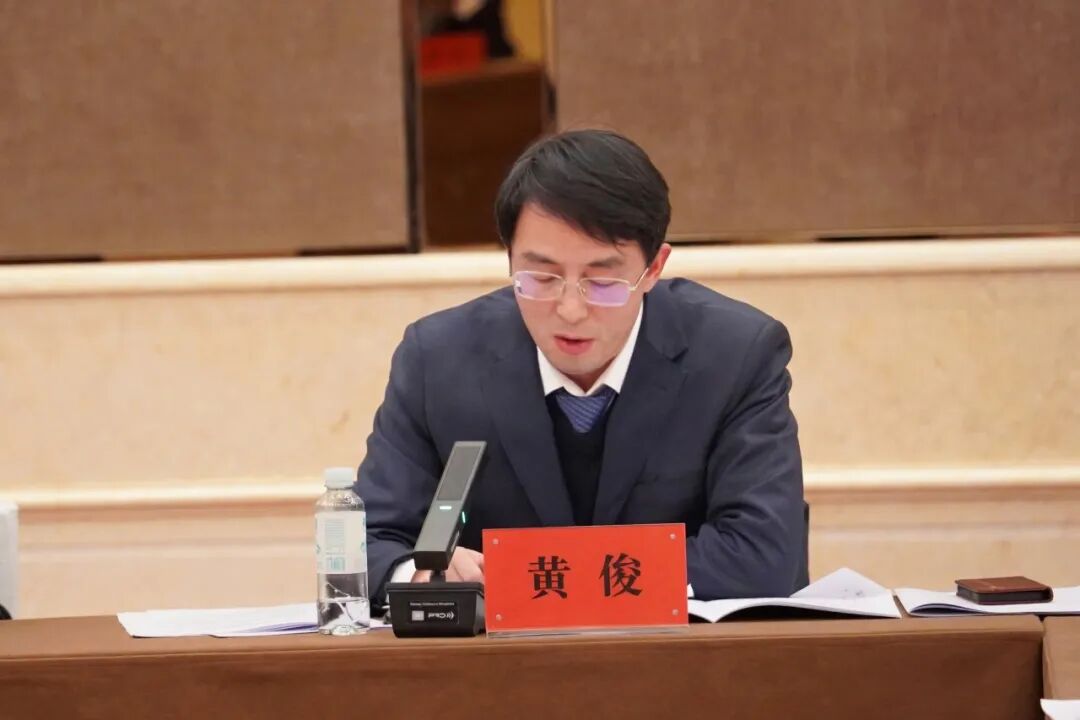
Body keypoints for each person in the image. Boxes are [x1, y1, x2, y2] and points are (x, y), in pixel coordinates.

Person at [357, 128, 805, 604]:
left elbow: (762, 555)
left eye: (603, 282)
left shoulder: (735, 355)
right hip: (499, 652)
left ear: (654, 269)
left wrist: (520, 577)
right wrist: (421, 573)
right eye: (541, 277)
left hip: (681, 648)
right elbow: (368, 541)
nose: (570, 310)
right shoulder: (438, 359)